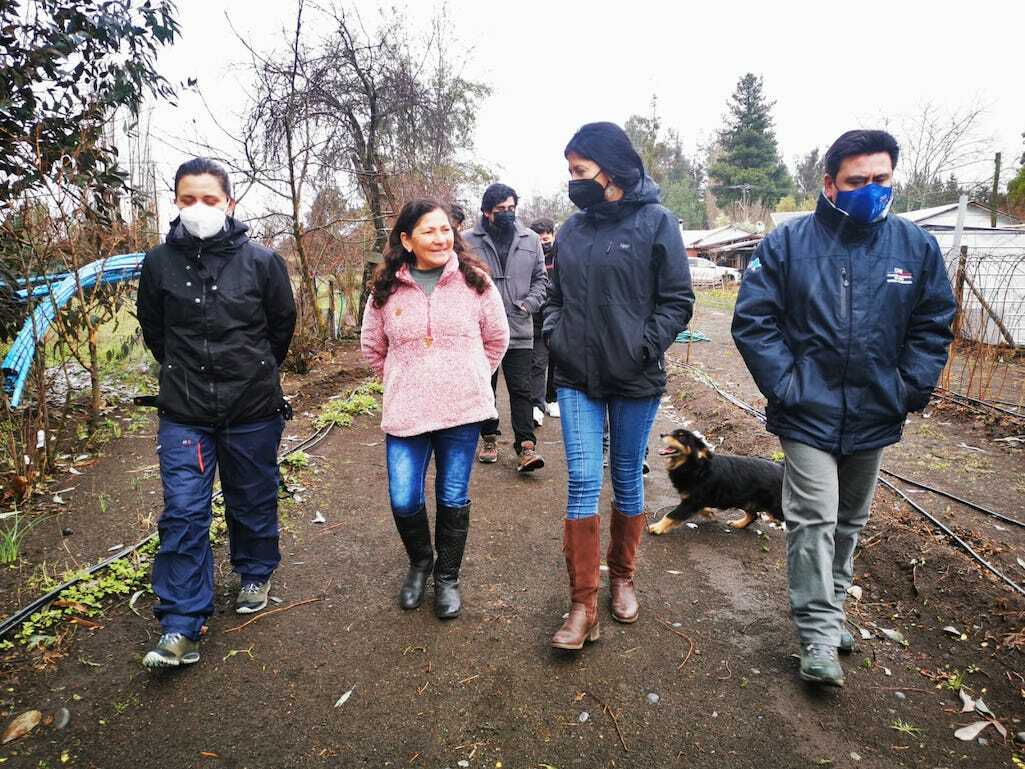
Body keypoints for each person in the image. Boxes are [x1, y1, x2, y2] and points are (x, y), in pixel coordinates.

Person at [731, 129, 956, 687]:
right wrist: (788, 387)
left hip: (877, 410)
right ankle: (816, 635)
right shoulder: (788, 245)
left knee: (849, 520)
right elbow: (754, 322)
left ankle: (829, 612)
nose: (871, 190)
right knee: (813, 519)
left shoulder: (915, 248)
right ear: (830, 183)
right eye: (858, 181)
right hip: (807, 411)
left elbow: (933, 324)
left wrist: (907, 388)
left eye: (881, 179)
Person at [136, 157, 296, 668]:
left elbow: (280, 327)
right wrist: (188, 374)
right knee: (183, 511)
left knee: (252, 496)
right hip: (185, 411)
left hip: (251, 406)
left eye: (209, 199)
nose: (198, 208)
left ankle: (254, 570)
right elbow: (156, 332)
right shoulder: (159, 263)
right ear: (175, 203)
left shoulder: (262, 262)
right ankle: (181, 624)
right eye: (187, 199)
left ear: (229, 203)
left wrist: (251, 370)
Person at [544, 122, 693, 649]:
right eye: (570, 171)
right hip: (577, 376)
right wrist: (555, 335)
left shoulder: (657, 222)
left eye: (579, 170)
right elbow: (553, 295)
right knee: (583, 479)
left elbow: (677, 299)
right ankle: (583, 603)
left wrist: (642, 347)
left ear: (612, 169)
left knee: (627, 473)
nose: (573, 181)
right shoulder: (572, 229)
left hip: (635, 378)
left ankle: (623, 577)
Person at [361, 199, 509, 619]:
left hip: (461, 410)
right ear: (406, 240)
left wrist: (470, 375)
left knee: (452, 494)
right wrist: (403, 378)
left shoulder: (475, 282)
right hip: (407, 411)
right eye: (429, 231)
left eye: (446, 229)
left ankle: (447, 577)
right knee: (404, 497)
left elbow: (496, 340)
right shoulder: (386, 290)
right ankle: (420, 562)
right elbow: (373, 349)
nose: (441, 238)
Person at [462, 183, 548, 472]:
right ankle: (488, 437)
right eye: (500, 210)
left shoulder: (530, 239)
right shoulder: (467, 241)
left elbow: (541, 279)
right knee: (486, 388)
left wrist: (528, 304)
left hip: (519, 328)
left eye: (511, 209)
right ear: (487, 212)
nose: (507, 214)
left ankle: (526, 446)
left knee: (522, 390)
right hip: (481, 333)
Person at [527, 217, 558, 425]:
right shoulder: (530, 258)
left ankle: (552, 399)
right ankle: (536, 405)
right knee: (538, 363)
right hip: (537, 319)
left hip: (558, 317)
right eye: (540, 237)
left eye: (547, 235)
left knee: (558, 361)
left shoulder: (562, 255)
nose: (544, 240)